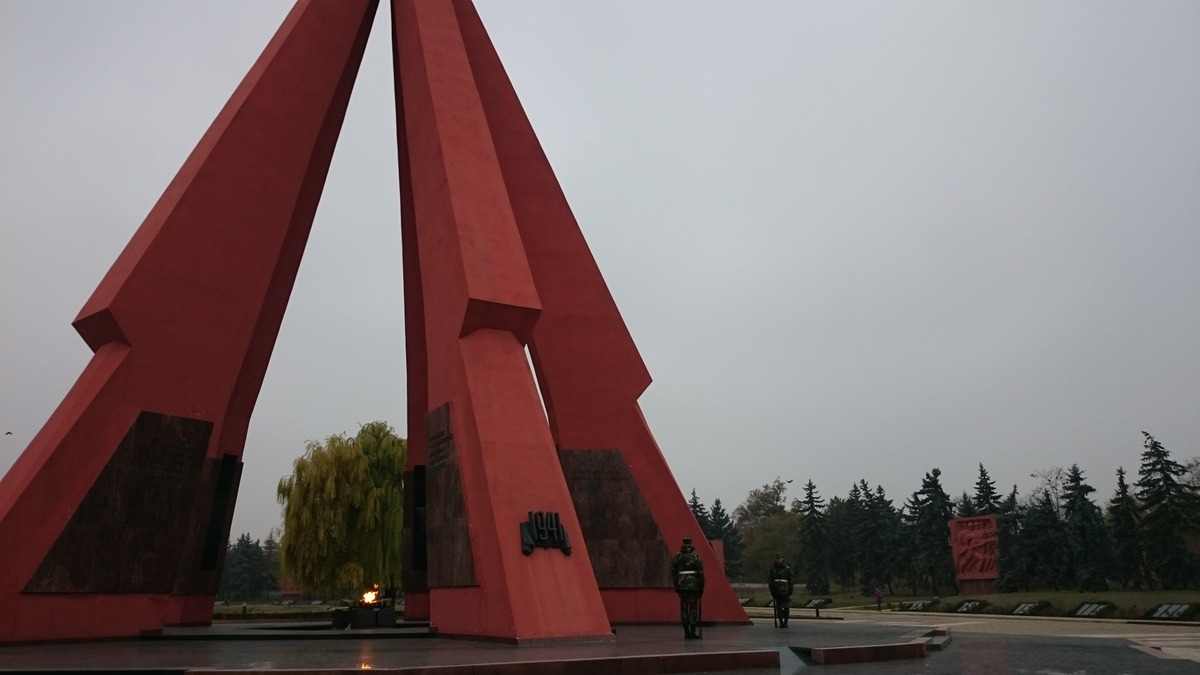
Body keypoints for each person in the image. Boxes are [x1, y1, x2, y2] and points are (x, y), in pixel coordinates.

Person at [670, 537, 705, 639]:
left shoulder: (678, 557)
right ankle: (693, 632)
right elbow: (700, 573)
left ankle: (686, 632)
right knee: (693, 609)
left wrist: (677, 584)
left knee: (684, 609)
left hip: (682, 586)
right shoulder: (696, 557)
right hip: (693, 586)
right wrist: (701, 587)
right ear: (691, 544)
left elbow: (673, 572)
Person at [768, 553, 794, 627]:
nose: (778, 560)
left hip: (785, 591)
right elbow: (770, 581)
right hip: (777, 592)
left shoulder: (787, 569)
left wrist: (790, 590)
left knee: (786, 608)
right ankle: (781, 622)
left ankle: (786, 622)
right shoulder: (773, 569)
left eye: (779, 558)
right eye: (777, 559)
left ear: (782, 559)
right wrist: (772, 591)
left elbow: (791, 580)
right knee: (778, 608)